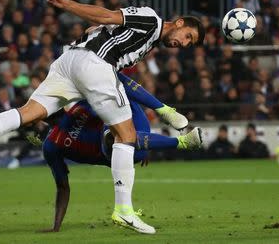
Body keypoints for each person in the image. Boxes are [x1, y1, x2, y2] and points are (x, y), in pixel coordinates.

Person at [0, 0, 204, 233]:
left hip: (69, 62)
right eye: (188, 37)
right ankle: (124, 210)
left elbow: (97, 28)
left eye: (189, 44)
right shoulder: (150, 19)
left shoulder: (147, 39)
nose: (184, 44)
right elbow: (107, 15)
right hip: (94, 64)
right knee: (126, 136)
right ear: (179, 23)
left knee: (29, 112)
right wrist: (67, 4)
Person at [40, 73, 203, 233]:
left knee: (114, 82)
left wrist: (147, 143)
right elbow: (62, 186)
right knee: (111, 133)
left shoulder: (80, 106)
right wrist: (56, 226)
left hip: (137, 129)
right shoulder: (51, 145)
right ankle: (182, 142)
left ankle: (162, 111)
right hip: (117, 153)